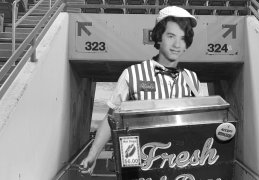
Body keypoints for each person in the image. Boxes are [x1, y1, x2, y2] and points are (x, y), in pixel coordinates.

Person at [80, 6, 203, 174]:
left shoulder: (192, 78)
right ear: (158, 37)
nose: (177, 44)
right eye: (171, 36)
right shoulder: (132, 74)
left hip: (179, 165)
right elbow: (111, 118)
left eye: (182, 38)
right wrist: (93, 156)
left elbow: (201, 124)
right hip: (139, 166)